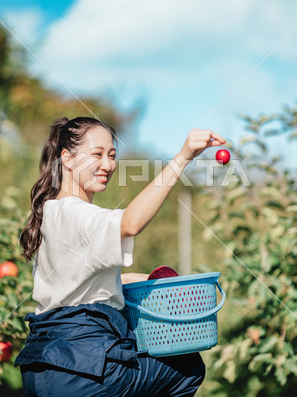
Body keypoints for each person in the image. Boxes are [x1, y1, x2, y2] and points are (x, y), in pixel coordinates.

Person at [14, 116, 226, 396]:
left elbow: (75, 287)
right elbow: (130, 223)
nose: (107, 165)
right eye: (97, 154)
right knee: (187, 367)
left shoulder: (52, 212)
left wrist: (133, 280)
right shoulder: (75, 213)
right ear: (67, 158)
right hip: (84, 368)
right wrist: (183, 158)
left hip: (44, 369)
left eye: (112, 155)